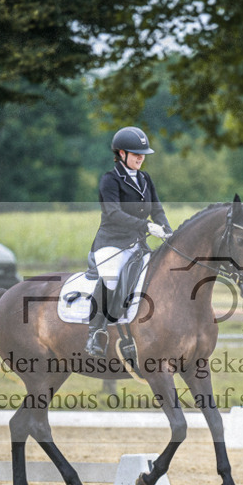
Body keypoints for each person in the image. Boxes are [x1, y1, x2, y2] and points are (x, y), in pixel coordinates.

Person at [85, 126, 172, 357]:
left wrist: (169, 231)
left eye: (142, 154)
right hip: (111, 243)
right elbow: (113, 213)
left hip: (137, 245)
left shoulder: (145, 178)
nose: (140, 158)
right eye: (135, 154)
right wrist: (146, 226)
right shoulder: (110, 180)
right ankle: (95, 331)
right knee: (111, 279)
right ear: (121, 154)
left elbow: (157, 210)